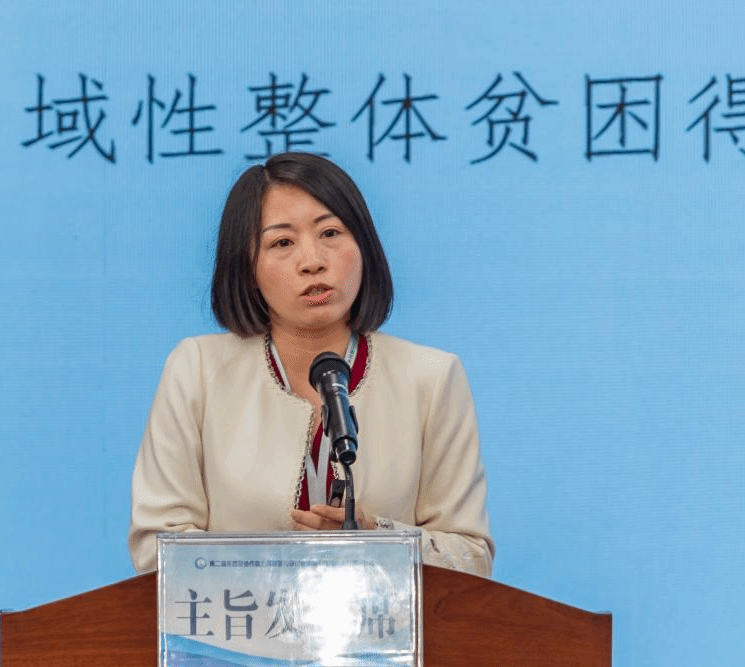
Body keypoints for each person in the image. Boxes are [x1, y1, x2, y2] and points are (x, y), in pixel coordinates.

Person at [128, 153, 494, 577]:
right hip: (237, 617)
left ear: (364, 247)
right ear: (247, 267)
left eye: (330, 233)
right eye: (282, 243)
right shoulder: (198, 370)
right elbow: (158, 547)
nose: (313, 260)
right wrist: (285, 574)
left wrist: (376, 540)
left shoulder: (431, 376)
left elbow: (471, 558)